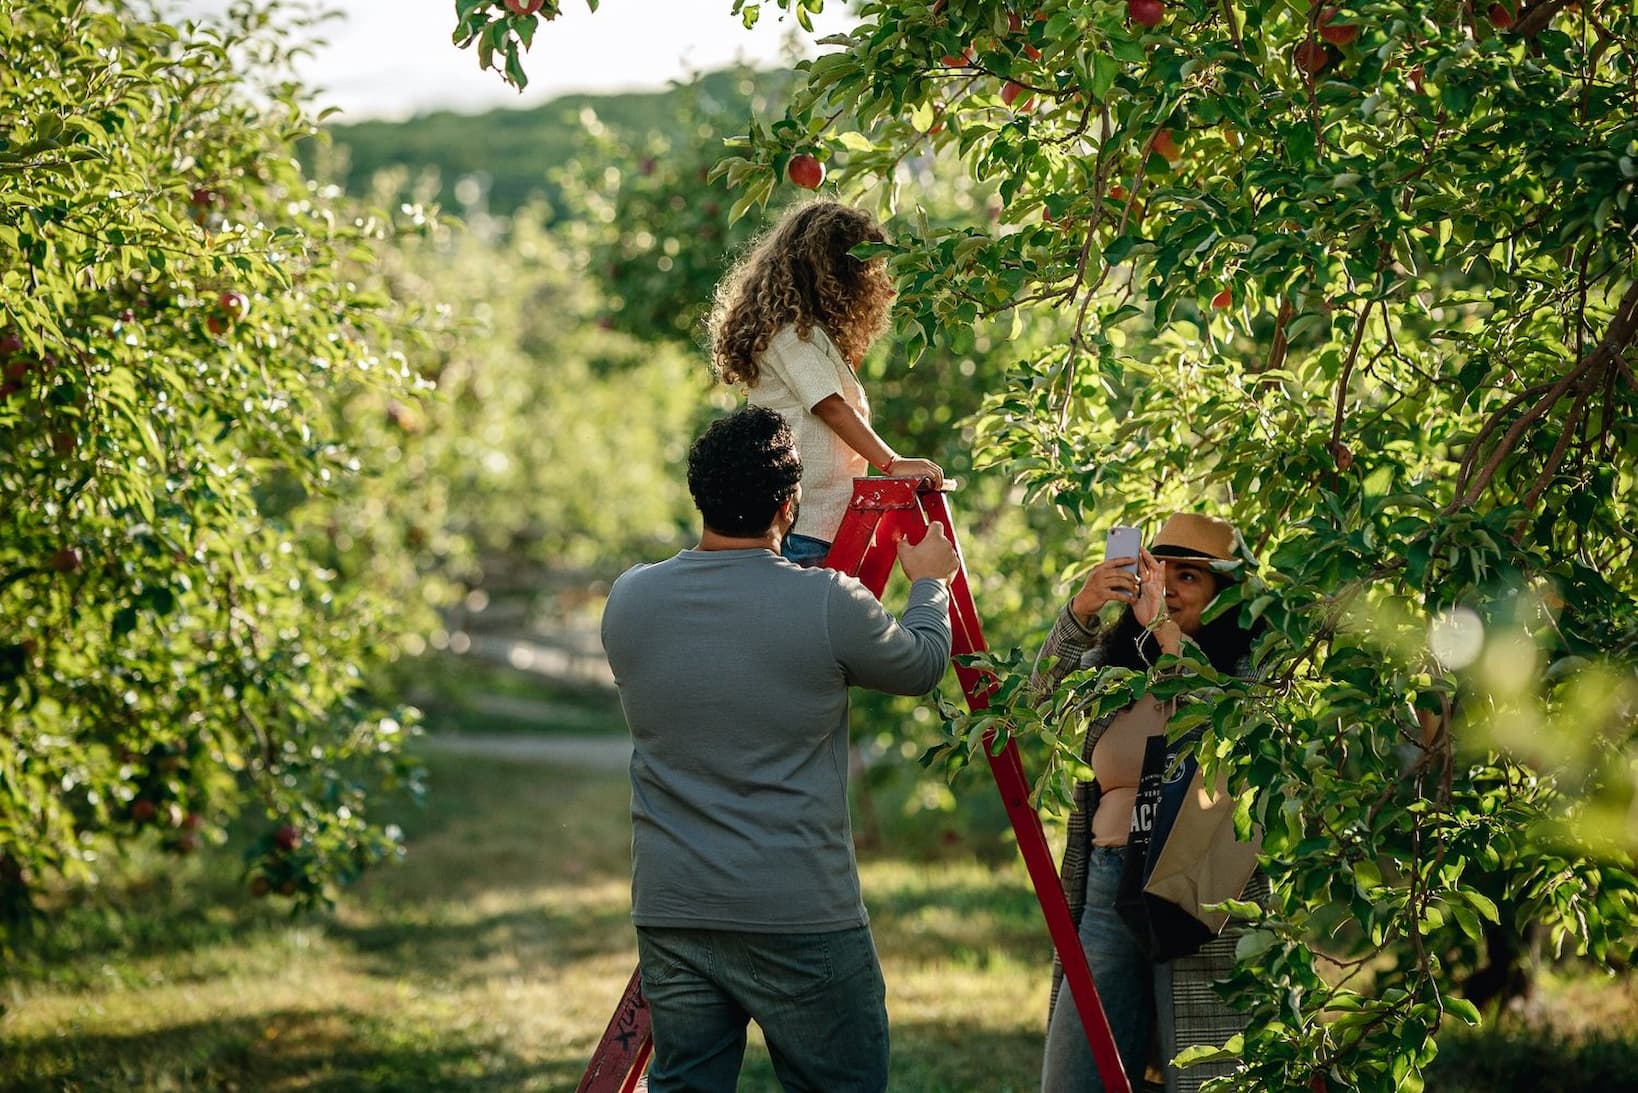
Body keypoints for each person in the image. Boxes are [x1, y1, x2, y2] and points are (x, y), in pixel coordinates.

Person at [601, 406, 959, 1092]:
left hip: (675, 907)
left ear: (700, 494)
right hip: (799, 910)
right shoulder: (828, 601)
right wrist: (928, 582)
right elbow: (919, 667)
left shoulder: (630, 599)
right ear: (789, 505)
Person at [1033, 513, 1266, 1093]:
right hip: (1112, 882)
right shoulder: (1116, 666)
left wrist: (1167, 633)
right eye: (1162, 572)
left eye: (1190, 578)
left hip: (1197, 890)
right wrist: (1083, 607)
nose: (1170, 589)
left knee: (1206, 1071)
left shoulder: (1248, 665)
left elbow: (1232, 724)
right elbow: (1037, 700)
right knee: (1076, 1072)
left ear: (1224, 597)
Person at [707, 199, 945, 566]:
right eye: (862, 272)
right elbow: (831, 406)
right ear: (833, 274)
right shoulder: (787, 336)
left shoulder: (810, 335)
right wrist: (892, 463)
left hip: (826, 521)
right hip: (804, 523)